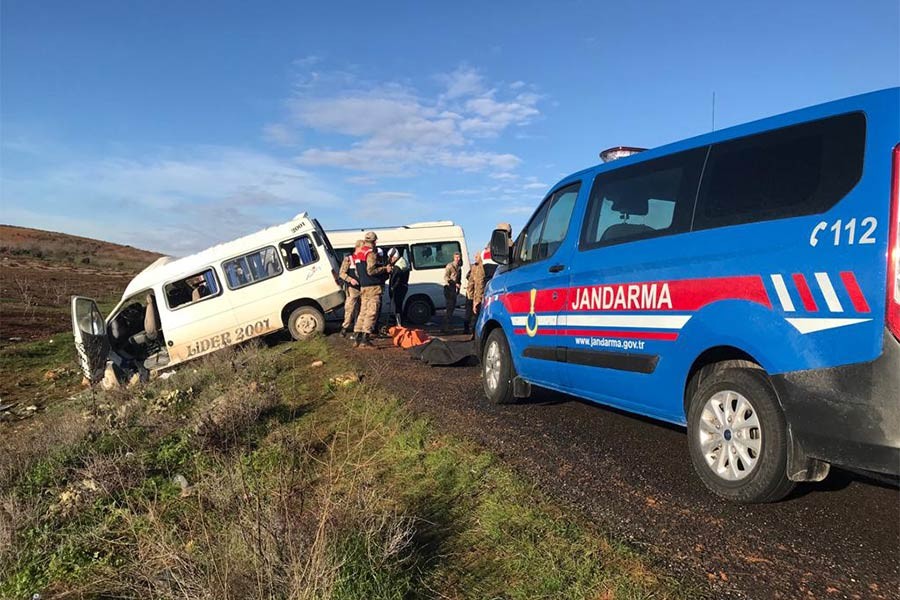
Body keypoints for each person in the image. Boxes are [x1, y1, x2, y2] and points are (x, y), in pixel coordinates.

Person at [352, 231, 392, 348]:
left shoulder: (359, 253)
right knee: (371, 313)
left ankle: (357, 337)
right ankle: (365, 339)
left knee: (363, 312)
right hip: (373, 287)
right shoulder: (371, 253)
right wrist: (385, 269)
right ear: (375, 241)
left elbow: (357, 272)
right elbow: (371, 270)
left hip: (363, 286)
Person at [338, 240, 364, 337]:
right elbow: (342, 273)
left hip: (363, 288)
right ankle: (344, 328)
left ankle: (358, 330)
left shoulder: (364, 259)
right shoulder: (349, 259)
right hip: (352, 289)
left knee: (362, 309)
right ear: (357, 248)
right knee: (350, 309)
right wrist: (350, 280)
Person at [387, 247, 410, 326]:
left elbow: (395, 279)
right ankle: (399, 322)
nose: (390, 260)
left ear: (393, 256)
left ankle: (399, 324)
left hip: (399, 288)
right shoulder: (403, 261)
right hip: (403, 286)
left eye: (390, 258)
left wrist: (392, 288)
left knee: (397, 307)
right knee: (399, 306)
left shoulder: (397, 267)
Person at [468, 250, 487, 339]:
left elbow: (480, 284)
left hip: (480, 296)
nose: (475, 258)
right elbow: (471, 282)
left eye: (476, 256)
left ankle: (476, 334)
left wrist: (477, 300)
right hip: (475, 295)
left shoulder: (481, 267)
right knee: (474, 315)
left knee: (478, 315)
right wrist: (470, 295)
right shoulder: (474, 267)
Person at [442, 251, 462, 333]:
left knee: (452, 308)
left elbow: (459, 279)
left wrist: (458, 287)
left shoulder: (459, 267)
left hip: (454, 290)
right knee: (449, 308)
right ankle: (445, 327)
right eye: (456, 257)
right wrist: (454, 283)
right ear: (454, 258)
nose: (457, 259)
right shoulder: (450, 266)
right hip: (449, 288)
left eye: (459, 257)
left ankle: (448, 326)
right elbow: (446, 277)